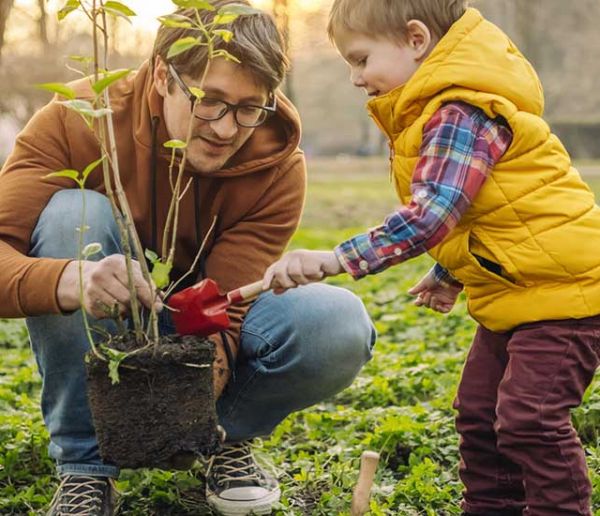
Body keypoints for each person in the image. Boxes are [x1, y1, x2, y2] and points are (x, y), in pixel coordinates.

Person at [0, 2, 376, 515]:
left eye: (249, 107)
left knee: (335, 322)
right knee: (74, 213)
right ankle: (87, 467)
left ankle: (218, 439)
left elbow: (228, 306)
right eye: (210, 101)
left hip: (198, 327)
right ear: (162, 75)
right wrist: (70, 277)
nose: (227, 129)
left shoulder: (276, 164)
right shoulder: (75, 122)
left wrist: (186, 411)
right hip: (106, 320)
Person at [262, 1, 600, 515]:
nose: (355, 78)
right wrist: (449, 271)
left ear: (416, 39)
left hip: (568, 296)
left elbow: (431, 215)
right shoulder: (436, 114)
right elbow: (487, 212)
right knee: (479, 414)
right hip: (517, 292)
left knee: (529, 418)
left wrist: (336, 259)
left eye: (361, 58)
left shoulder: (461, 112)